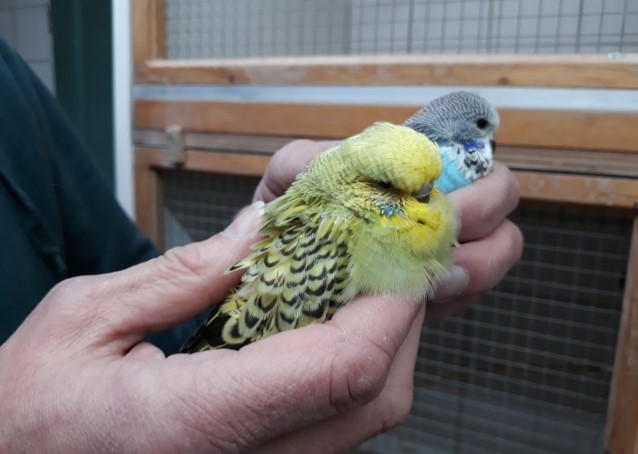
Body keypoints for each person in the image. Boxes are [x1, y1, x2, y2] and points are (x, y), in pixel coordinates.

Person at [0, 37, 522, 453]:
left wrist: (243, 261)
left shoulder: (10, 83)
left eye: (427, 186)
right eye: (394, 189)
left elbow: (134, 286)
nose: (423, 199)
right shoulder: (338, 231)